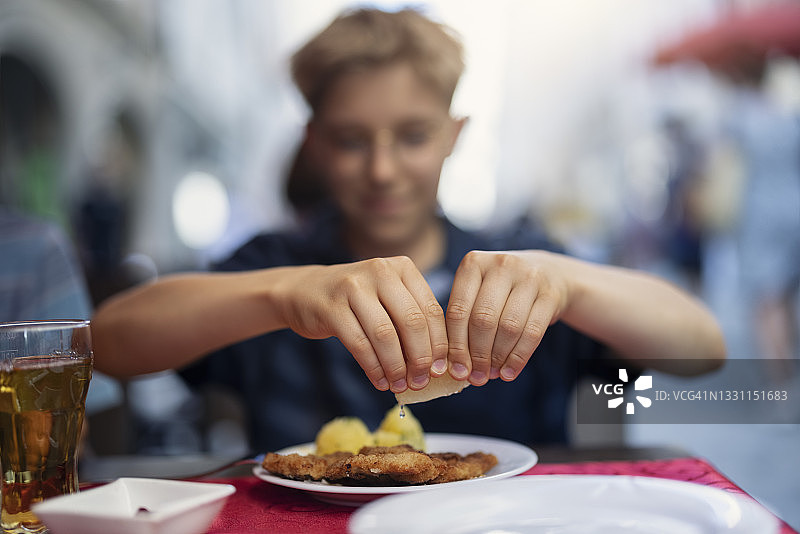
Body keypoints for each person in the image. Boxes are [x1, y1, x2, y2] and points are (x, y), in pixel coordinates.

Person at [91, 7, 725, 452]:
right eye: (351, 140)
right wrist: (282, 294)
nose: (383, 170)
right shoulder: (274, 265)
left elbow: (704, 351)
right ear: (314, 143)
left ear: (454, 135)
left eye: (413, 136)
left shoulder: (522, 272)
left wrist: (571, 283)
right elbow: (108, 344)